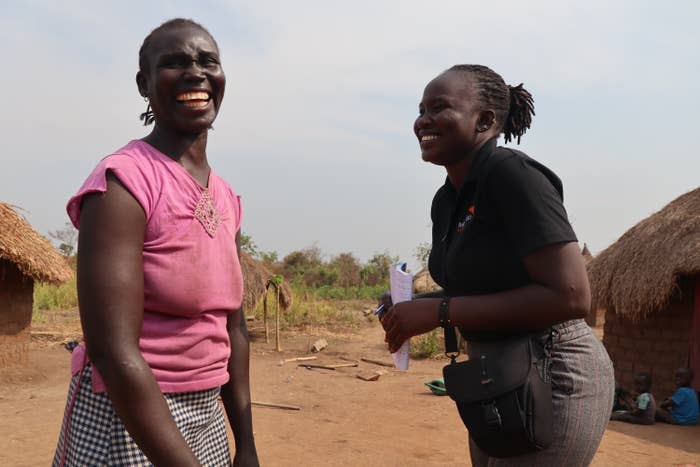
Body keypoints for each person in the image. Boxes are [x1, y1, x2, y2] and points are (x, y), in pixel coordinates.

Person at [379, 64, 614, 466]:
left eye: (439, 108)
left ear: (485, 120)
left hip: (552, 367)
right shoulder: (446, 200)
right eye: (420, 110)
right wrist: (414, 305)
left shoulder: (511, 174)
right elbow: (475, 291)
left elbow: (572, 295)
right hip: (495, 375)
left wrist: (438, 310)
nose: (423, 121)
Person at [52, 19, 259, 466]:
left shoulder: (225, 197)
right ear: (144, 84)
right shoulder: (123, 184)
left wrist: (246, 445)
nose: (196, 73)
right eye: (174, 63)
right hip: (130, 416)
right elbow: (112, 350)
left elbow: (233, 329)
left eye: (208, 61)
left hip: (206, 417)